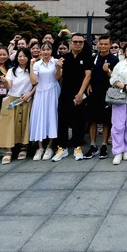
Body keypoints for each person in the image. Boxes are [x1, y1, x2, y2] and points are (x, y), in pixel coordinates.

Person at [0, 48, 37, 163]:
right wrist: (4, 81)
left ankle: (23, 147)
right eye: (20, 56)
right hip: (12, 100)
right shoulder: (12, 70)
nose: (22, 58)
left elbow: (36, 83)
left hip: (26, 100)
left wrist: (29, 94)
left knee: (24, 124)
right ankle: (8, 150)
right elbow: (8, 86)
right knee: (9, 125)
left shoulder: (33, 69)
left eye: (24, 56)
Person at [53, 33, 93, 162]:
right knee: (62, 121)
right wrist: (58, 67)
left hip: (79, 93)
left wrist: (80, 93)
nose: (78, 44)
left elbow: (87, 76)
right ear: (71, 43)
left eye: (80, 42)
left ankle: (77, 147)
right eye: (75, 42)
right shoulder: (64, 58)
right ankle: (62, 147)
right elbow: (57, 77)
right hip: (65, 93)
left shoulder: (87, 57)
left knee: (79, 121)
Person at [84, 35, 119, 159]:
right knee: (92, 119)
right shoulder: (93, 57)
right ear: (98, 44)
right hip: (93, 92)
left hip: (107, 93)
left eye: (106, 44)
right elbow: (87, 74)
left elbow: (116, 78)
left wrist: (107, 71)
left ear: (110, 45)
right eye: (101, 44)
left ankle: (104, 145)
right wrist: (88, 84)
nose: (103, 46)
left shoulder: (114, 59)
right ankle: (93, 145)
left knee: (106, 120)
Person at [30, 42, 62, 161]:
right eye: (43, 49)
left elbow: (57, 77)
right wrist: (31, 65)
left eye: (48, 49)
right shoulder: (37, 64)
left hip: (53, 91)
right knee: (40, 117)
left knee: (52, 116)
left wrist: (59, 67)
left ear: (51, 50)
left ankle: (49, 147)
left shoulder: (56, 62)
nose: (46, 52)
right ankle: (40, 148)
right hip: (40, 92)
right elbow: (34, 81)